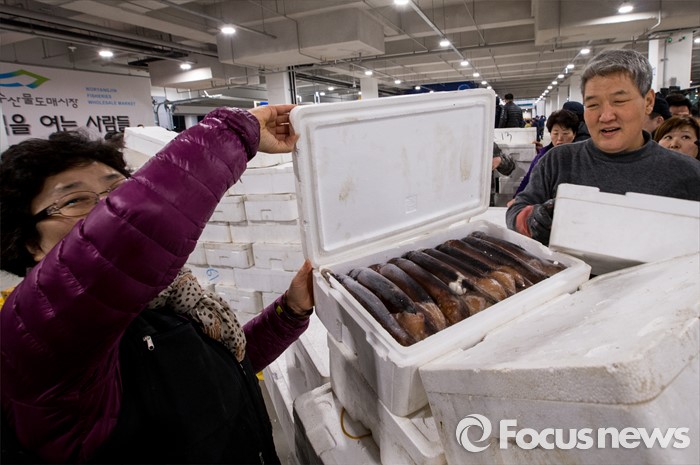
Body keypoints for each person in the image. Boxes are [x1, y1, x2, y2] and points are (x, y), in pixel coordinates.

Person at [0, 104, 314, 464]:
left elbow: (220, 371)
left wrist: (289, 312)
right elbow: (127, 231)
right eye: (74, 200)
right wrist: (235, 132)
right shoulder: (34, 334)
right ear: (30, 243)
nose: (105, 207)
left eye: (115, 190)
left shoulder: (170, 303)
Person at [506, 49, 700, 246]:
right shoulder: (559, 160)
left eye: (619, 101)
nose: (606, 116)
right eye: (592, 105)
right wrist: (534, 220)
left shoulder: (688, 173)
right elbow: (516, 211)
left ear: (648, 102)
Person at [510, 109, 579, 201]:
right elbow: (528, 179)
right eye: (555, 133)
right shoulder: (542, 157)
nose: (559, 138)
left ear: (574, 134)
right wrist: (517, 199)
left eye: (565, 133)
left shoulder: (580, 158)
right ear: (550, 134)